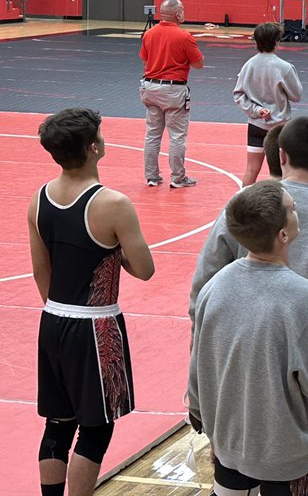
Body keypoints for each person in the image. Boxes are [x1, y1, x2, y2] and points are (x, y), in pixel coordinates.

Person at [30, 109, 155, 496]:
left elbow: (40, 272)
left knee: (57, 423)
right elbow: (144, 268)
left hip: (53, 319)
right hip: (95, 326)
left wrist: (60, 312)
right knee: (97, 427)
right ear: (94, 148)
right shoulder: (113, 204)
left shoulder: (39, 199)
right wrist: (110, 251)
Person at [188, 180, 308, 495]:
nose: (298, 209)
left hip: (228, 445)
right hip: (285, 455)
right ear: (283, 234)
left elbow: (197, 367)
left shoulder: (213, 288)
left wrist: (202, 415)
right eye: (293, 209)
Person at [189, 117, 308, 324]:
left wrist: (197, 319)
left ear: (281, 155)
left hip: (246, 322)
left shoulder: (245, 199)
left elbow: (210, 265)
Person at [139, 0, 203, 188]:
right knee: (177, 136)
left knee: (152, 134)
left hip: (150, 87)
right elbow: (199, 64)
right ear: (177, 14)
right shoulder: (184, 37)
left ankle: (152, 176)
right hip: (174, 90)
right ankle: (178, 177)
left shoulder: (149, 34)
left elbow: (145, 61)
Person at [233, 22, 303, 187]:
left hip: (256, 125)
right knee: (282, 172)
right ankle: (282, 206)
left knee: (251, 170)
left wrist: (256, 110)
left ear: (256, 41)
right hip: (279, 127)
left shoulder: (248, 66)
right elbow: (296, 95)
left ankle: (243, 206)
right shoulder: (285, 67)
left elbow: (238, 94)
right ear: (277, 41)